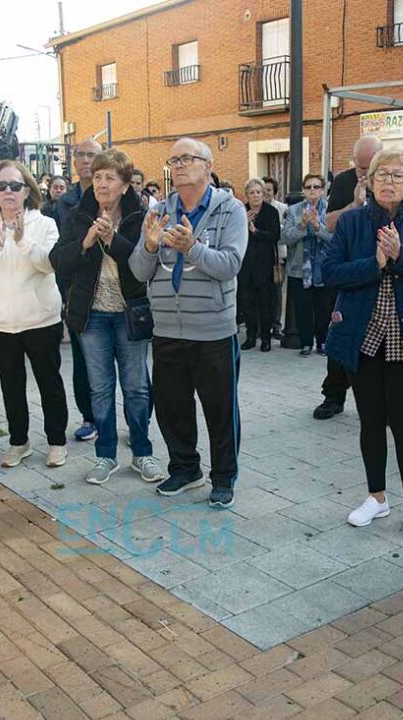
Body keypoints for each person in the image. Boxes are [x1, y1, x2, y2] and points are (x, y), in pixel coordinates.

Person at [321, 147, 403, 540]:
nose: (389, 182)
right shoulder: (353, 222)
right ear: (369, 181)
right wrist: (374, 264)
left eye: (398, 175)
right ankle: (376, 497)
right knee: (371, 422)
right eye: (382, 174)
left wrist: (400, 254)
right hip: (363, 336)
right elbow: (331, 272)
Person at [131, 137, 248, 509]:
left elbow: (230, 265)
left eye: (187, 159)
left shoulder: (231, 210)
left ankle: (224, 477)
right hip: (166, 329)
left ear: (208, 166)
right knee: (171, 407)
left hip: (213, 330)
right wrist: (150, 246)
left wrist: (192, 248)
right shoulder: (157, 212)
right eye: (174, 160)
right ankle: (184, 468)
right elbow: (138, 271)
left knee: (220, 408)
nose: (179, 166)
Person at [50, 148, 164, 485]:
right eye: (97, 176)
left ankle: (142, 453)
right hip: (93, 316)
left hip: (130, 314)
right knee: (100, 389)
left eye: (109, 177)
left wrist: (112, 240)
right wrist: (85, 242)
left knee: (137, 388)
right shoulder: (77, 215)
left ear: (125, 185)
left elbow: (144, 264)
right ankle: (105, 456)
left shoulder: (141, 216)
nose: (101, 183)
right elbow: (58, 260)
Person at [0, 160, 67, 468]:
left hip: (41, 319)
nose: (8, 192)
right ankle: (18, 441)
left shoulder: (46, 224)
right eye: (1, 186)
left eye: (15, 185)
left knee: (49, 382)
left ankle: (56, 441)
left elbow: (48, 264)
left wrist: (22, 239)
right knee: (11, 385)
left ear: (27, 190)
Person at [315, 135, 383, 421]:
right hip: (346, 270)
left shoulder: (392, 180)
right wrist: (355, 205)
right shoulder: (344, 181)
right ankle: (333, 395)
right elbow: (328, 222)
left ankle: (378, 399)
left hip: (380, 271)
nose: (364, 174)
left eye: (370, 169)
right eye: (360, 167)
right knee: (339, 333)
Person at [55, 139, 105, 443]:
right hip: (79, 291)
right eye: (81, 154)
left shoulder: (118, 195)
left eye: (92, 155)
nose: (86, 160)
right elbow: (60, 252)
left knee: (126, 362)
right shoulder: (64, 202)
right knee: (83, 360)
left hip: (115, 290)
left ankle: (133, 417)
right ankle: (90, 417)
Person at [283, 173, 332, 357]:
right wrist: (302, 225)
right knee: (303, 309)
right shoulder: (293, 210)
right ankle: (305, 343)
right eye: (309, 187)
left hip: (324, 269)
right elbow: (286, 238)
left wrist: (318, 227)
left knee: (323, 309)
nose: (312, 190)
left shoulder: (330, 209)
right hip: (299, 270)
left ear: (322, 190)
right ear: (304, 190)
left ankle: (322, 342)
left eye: (316, 187)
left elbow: (334, 240)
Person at [239, 179, 281, 351]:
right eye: (251, 193)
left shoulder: (271, 212)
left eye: (258, 192)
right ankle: (250, 336)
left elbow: (275, 236)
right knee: (247, 303)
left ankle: (265, 338)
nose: (255, 196)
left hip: (264, 263)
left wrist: (255, 231)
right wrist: (243, 224)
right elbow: (234, 235)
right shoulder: (241, 210)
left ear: (263, 194)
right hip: (245, 263)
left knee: (265, 302)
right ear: (247, 195)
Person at [262, 176, 290, 341]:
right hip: (259, 257)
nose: (265, 193)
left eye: (268, 190)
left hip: (277, 255)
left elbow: (283, 234)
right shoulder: (252, 208)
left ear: (274, 192)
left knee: (276, 292)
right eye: (262, 190)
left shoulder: (282, 208)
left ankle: (276, 325)